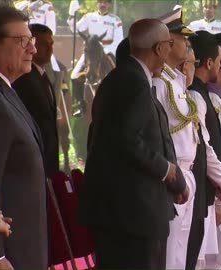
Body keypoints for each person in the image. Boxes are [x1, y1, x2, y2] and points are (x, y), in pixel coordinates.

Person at [77, 18, 189, 269]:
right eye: (169, 44)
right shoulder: (132, 83)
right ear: (159, 49)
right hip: (131, 216)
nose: (171, 51)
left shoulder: (126, 78)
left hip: (127, 213)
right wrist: (167, 170)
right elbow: (125, 139)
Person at [153, 9, 221, 270]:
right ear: (168, 42)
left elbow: (198, 139)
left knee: (183, 256)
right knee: (171, 254)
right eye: (183, 39)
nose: (188, 45)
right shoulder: (160, 83)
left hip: (188, 175)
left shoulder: (176, 82)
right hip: (172, 177)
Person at [0, 6, 48, 269]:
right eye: (23, 41)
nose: (33, 50)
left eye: (32, 42)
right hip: (9, 255)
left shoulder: (6, 91)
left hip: (24, 248)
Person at [186, 30, 221, 270]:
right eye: (219, 61)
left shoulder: (203, 95)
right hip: (196, 191)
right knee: (193, 260)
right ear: (209, 62)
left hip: (204, 193)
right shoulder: (195, 96)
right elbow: (204, 147)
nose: (220, 67)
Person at [13, 23, 59, 178]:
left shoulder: (45, 77)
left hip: (47, 161)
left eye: (51, 44)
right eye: (44, 44)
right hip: (31, 161)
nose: (50, 49)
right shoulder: (24, 78)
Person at [67, 0, 123, 114]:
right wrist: (72, 15)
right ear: (97, 4)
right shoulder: (89, 17)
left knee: (121, 75)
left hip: (108, 50)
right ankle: (81, 105)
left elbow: (118, 40)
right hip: (91, 51)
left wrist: (105, 50)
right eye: (101, 2)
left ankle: (121, 102)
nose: (103, 5)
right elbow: (75, 28)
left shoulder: (116, 20)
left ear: (110, 5)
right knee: (74, 76)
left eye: (106, 3)